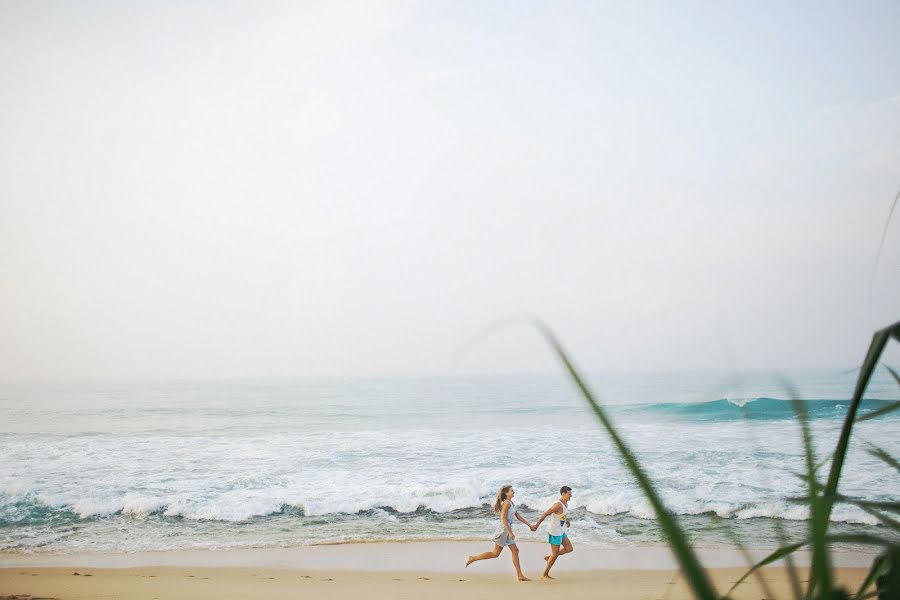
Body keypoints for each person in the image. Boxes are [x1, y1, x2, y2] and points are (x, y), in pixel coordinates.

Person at [465, 484, 534, 581]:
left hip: (507, 530)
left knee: (515, 551)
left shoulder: (511, 503)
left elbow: (518, 516)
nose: (513, 492)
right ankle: (473, 558)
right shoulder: (506, 503)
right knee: (495, 554)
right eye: (511, 491)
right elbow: (503, 518)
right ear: (506, 493)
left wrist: (529, 525)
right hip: (504, 531)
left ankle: (520, 576)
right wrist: (510, 532)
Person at [531, 485, 573, 579]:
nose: (571, 496)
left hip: (560, 531)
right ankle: (545, 574)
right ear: (563, 494)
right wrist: (536, 525)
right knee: (555, 555)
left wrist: (566, 521)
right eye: (569, 494)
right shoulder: (557, 505)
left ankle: (549, 557)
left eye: (571, 494)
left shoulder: (565, 503)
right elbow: (545, 514)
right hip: (555, 532)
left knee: (569, 548)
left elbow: (561, 515)